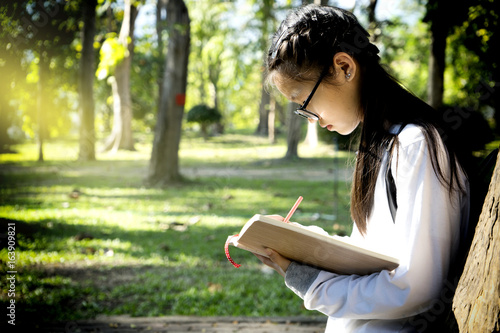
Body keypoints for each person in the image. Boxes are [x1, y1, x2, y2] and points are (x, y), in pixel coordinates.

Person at [255, 4, 470, 333]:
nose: (310, 117)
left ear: (343, 66)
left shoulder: (414, 146)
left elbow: (416, 289)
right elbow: (370, 254)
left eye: (305, 101)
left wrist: (312, 283)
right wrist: (297, 242)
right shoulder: (380, 143)